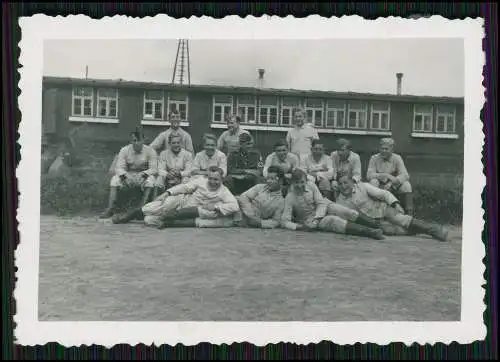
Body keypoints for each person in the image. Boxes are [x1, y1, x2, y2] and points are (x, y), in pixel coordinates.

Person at [336, 174, 451, 241]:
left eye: (346, 183)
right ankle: (416, 230)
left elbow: (384, 194)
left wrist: (395, 204)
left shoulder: (363, 187)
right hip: (373, 221)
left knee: (401, 220)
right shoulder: (340, 202)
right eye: (340, 184)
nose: (343, 186)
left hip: (383, 210)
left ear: (352, 182)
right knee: (391, 231)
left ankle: (435, 230)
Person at [280, 169, 385, 240]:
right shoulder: (290, 197)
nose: (300, 185)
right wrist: (301, 227)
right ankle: (370, 232)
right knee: (335, 221)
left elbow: (321, 203)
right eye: (297, 183)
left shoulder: (311, 186)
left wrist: (317, 217)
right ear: (292, 183)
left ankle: (376, 225)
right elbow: (285, 221)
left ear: (306, 181)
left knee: (346, 211)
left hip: (324, 206)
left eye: (302, 182)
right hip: (311, 220)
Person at [137, 166, 240, 228]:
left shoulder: (224, 191)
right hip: (182, 201)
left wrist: (216, 207)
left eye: (216, 179)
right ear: (207, 177)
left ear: (221, 179)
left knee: (148, 220)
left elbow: (234, 206)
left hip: (190, 211)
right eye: (211, 178)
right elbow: (185, 187)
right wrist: (167, 193)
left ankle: (157, 218)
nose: (213, 182)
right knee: (149, 208)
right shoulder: (201, 181)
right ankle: (133, 214)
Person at [100, 129, 158, 219]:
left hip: (143, 175)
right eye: (134, 140)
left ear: (143, 140)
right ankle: (111, 208)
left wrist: (144, 174)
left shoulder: (150, 151)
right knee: (114, 180)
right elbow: (119, 167)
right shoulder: (125, 150)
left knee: (151, 181)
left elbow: (154, 169)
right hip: (129, 174)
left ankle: (141, 209)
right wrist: (125, 177)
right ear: (131, 141)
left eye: (139, 140)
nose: (136, 143)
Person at [367, 138, 414, 215]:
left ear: (392, 150)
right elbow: (369, 175)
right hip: (380, 185)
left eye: (386, 149)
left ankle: (409, 212)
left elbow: (405, 175)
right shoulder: (374, 158)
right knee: (373, 182)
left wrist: (392, 183)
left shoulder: (397, 158)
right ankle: (374, 211)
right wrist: (385, 175)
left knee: (406, 185)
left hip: (394, 185)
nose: (383, 151)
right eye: (382, 148)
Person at [153, 133, 193, 200]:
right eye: (173, 143)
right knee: (159, 179)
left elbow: (189, 171)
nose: (176, 145)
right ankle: (155, 200)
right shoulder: (163, 154)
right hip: (168, 177)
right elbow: (160, 169)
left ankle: (182, 201)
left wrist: (180, 174)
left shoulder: (187, 155)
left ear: (181, 143)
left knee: (186, 179)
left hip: (181, 177)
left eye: (178, 143)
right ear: (169, 143)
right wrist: (167, 174)